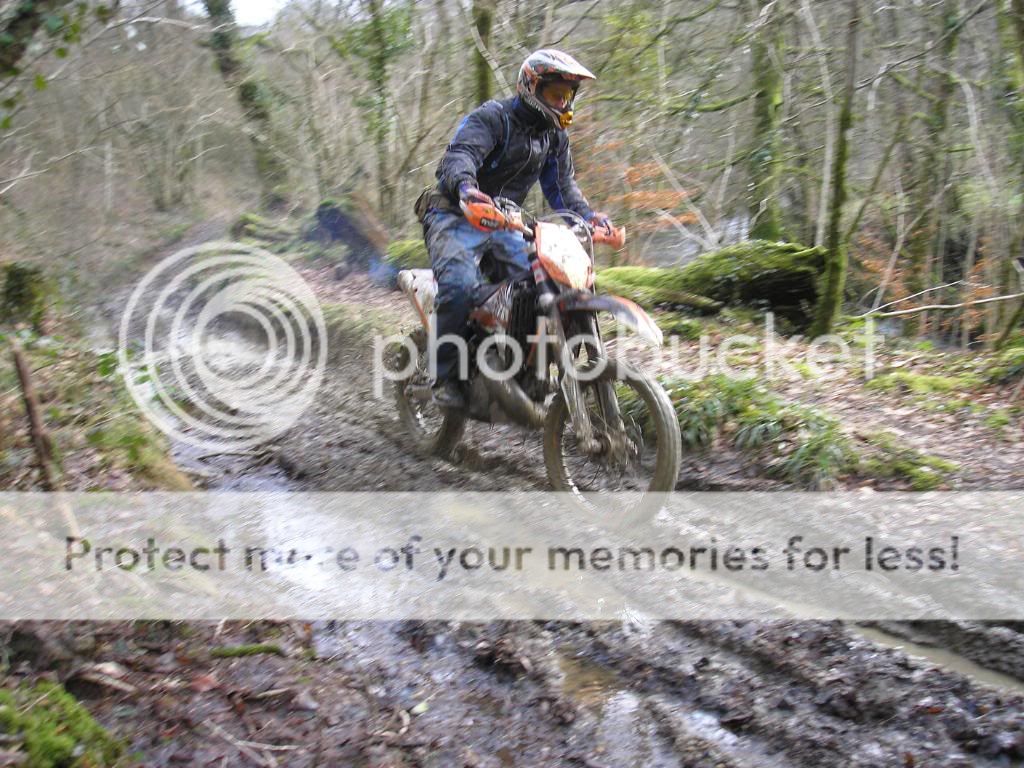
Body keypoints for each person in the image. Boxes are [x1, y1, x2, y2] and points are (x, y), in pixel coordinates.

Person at [417, 48, 613, 409]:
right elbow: (459, 157)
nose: (563, 103)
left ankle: (519, 367)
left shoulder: (554, 138)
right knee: (460, 284)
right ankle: (445, 375)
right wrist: (467, 189)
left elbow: (563, 190)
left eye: (567, 96)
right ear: (532, 87)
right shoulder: (494, 118)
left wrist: (590, 217)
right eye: (556, 95)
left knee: (538, 287)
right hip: (453, 214)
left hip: (507, 222)